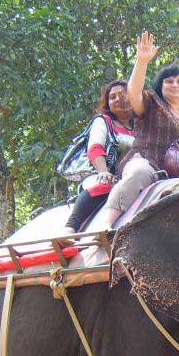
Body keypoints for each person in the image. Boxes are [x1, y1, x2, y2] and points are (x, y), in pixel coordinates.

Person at [88, 31, 179, 231]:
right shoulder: (152, 103)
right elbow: (133, 93)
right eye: (169, 81)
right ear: (160, 86)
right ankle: (105, 222)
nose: (175, 84)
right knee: (139, 172)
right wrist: (142, 61)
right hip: (150, 164)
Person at [59, 80, 136, 238]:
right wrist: (104, 171)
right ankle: (71, 228)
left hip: (137, 177)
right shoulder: (103, 122)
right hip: (108, 177)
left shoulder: (143, 126)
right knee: (101, 187)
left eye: (122, 95)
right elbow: (95, 148)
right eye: (112, 97)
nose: (117, 100)